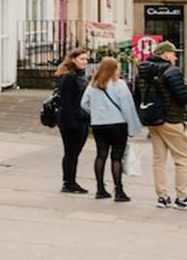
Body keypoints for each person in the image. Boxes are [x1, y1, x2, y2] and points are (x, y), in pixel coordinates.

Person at [137, 41, 187, 210]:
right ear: (165, 54)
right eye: (173, 54)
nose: (175, 57)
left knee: (159, 160)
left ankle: (162, 196)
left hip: (152, 119)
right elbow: (181, 97)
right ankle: (182, 197)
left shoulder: (143, 72)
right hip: (171, 119)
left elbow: (139, 95)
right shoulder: (171, 71)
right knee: (182, 159)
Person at [81, 57, 142, 201]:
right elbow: (127, 108)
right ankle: (119, 191)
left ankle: (100, 189)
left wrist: (96, 112)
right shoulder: (119, 84)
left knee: (101, 155)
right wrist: (132, 128)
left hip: (99, 125)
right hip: (117, 125)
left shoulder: (93, 85)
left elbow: (84, 104)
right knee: (116, 158)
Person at [54, 48, 93, 194]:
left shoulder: (79, 75)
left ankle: (70, 180)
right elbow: (66, 102)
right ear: (73, 59)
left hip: (81, 119)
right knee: (71, 152)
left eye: (86, 59)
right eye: (82, 59)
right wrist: (71, 123)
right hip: (72, 121)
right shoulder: (69, 77)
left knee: (74, 152)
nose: (85, 62)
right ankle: (68, 182)